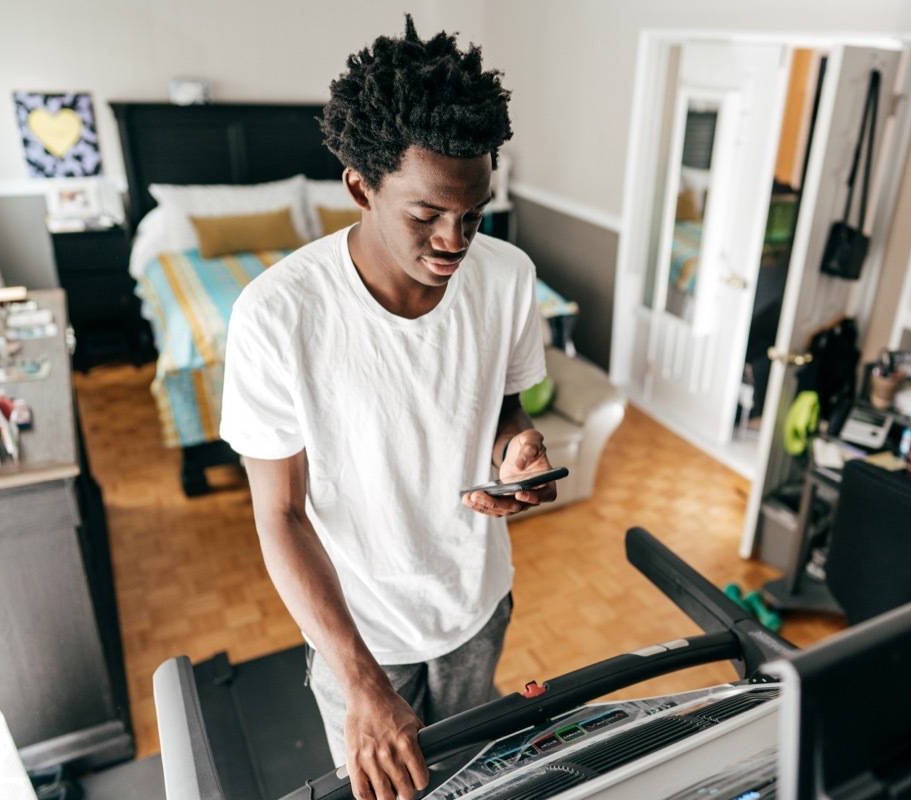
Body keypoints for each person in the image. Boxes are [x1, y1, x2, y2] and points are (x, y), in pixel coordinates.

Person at [219, 16, 559, 800]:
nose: (455, 240)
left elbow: (502, 404)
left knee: (473, 781)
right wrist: (360, 681)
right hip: (361, 628)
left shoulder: (507, 277)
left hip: (477, 601)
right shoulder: (277, 317)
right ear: (360, 186)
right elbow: (281, 516)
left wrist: (518, 448)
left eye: (474, 213)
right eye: (427, 214)